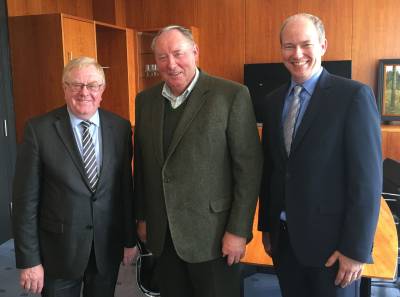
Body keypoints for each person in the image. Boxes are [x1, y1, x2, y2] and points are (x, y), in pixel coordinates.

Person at [133, 25, 263, 297]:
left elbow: (248, 171)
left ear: (195, 52)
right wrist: (143, 217)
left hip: (214, 236)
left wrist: (238, 231)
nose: (171, 64)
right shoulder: (145, 101)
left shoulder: (231, 95)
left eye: (178, 53)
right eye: (162, 57)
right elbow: (144, 167)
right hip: (164, 234)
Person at [258, 13, 382, 297]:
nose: (297, 54)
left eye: (306, 44)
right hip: (285, 243)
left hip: (334, 250)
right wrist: (267, 227)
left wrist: (356, 249)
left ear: (323, 45)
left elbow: (367, 182)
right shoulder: (273, 100)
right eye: (289, 46)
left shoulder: (353, 97)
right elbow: (274, 170)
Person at [12, 56, 137, 297]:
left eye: (92, 85)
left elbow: (125, 190)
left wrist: (129, 240)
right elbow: (25, 201)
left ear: (102, 90)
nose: (84, 92)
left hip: (106, 249)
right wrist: (29, 260)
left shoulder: (120, 128)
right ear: (64, 87)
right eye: (76, 85)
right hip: (58, 252)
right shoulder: (39, 130)